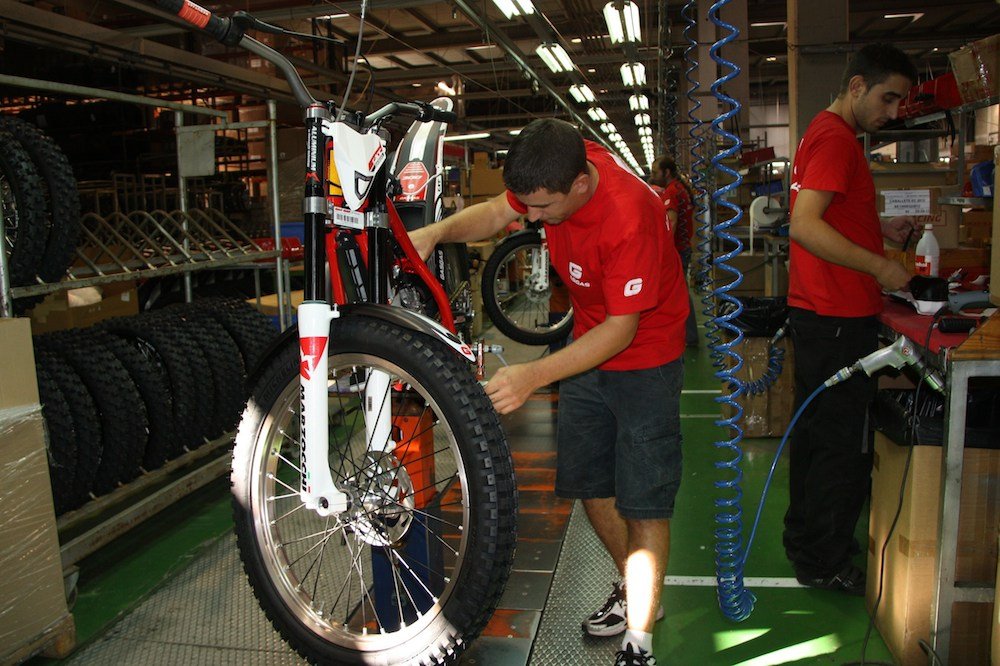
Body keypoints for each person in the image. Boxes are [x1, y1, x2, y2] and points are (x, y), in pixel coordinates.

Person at [408, 118, 689, 666]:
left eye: (542, 208)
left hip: (646, 360)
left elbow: (622, 330)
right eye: (527, 205)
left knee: (645, 503)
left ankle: (640, 642)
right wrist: (436, 232)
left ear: (581, 185)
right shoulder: (554, 166)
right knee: (590, 485)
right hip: (588, 345)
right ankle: (634, 592)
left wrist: (534, 375)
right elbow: (497, 214)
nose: (530, 219)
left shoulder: (629, 214)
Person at [784, 43, 917, 595]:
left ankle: (805, 543)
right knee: (843, 447)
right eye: (888, 99)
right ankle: (824, 561)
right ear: (857, 86)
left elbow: (831, 212)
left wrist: (879, 233)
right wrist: (881, 266)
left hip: (819, 315)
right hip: (840, 318)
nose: (891, 113)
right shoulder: (837, 140)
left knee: (815, 439)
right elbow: (805, 225)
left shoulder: (822, 130)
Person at [648, 155, 698, 346]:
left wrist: (662, 252)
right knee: (680, 293)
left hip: (677, 250)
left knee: (680, 294)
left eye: (655, 172)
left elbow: (672, 222)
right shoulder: (680, 188)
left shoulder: (671, 192)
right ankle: (688, 335)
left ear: (666, 172)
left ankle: (689, 336)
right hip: (683, 247)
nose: (653, 175)